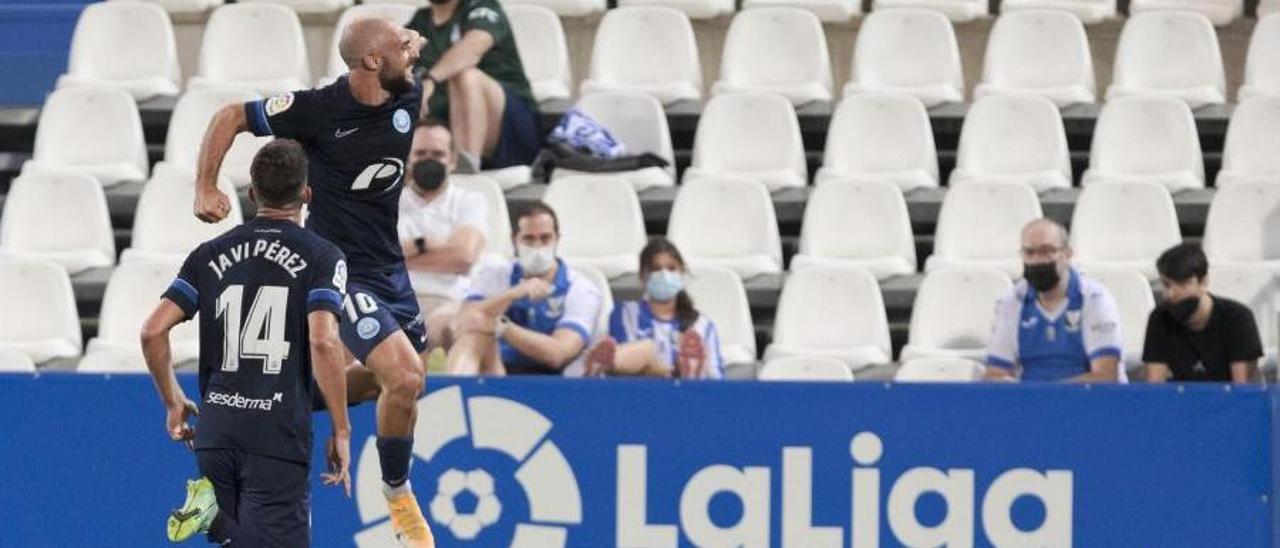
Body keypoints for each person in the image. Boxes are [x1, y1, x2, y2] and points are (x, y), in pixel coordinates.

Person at [191, 18, 435, 545]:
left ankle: (251, 407)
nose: (411, 52)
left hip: (390, 270)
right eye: (400, 45)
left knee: (388, 387)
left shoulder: (405, 88)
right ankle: (398, 497)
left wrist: (410, 39)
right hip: (340, 270)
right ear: (371, 61)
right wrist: (206, 186)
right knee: (407, 377)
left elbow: (415, 43)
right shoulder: (318, 109)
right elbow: (230, 115)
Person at [144, 140, 351, 546]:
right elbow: (324, 341)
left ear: (252, 193)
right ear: (307, 194)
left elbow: (152, 331)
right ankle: (213, 518)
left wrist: (173, 400)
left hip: (216, 427)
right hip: (276, 433)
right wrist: (341, 429)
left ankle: (214, 517)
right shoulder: (323, 257)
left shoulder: (208, 254)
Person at [446, 202, 602, 375]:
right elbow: (462, 322)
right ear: (514, 240)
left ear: (557, 239)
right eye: (529, 238)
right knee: (474, 338)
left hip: (555, 380)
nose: (537, 246)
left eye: (545, 238)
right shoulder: (493, 275)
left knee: (482, 328)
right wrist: (513, 294)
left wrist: (501, 325)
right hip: (499, 370)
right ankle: (456, 394)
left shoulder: (581, 288)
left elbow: (558, 354)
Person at [407, 0, 542, 171]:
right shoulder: (420, 20)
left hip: (512, 131)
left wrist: (430, 80)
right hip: (446, 129)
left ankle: (467, 168)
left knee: (464, 75)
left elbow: (473, 47)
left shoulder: (482, 7)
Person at [985, 219, 1126, 383]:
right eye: (1029, 253)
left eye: (1047, 251)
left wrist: (1049, 395)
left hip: (1086, 401)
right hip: (1031, 402)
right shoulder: (1011, 302)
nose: (1037, 260)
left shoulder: (1095, 299)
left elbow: (1105, 376)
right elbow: (994, 374)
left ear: (1067, 254)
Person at [398, 117, 489, 350]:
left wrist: (403, 254)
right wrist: (425, 243)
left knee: (444, 328)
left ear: (452, 160)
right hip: (394, 300)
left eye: (437, 154)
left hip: (449, 301)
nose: (429, 160)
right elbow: (376, 257)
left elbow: (463, 258)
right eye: (420, 153)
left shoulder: (471, 201)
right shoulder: (386, 203)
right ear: (408, 158)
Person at [584, 238, 725, 379]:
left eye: (671, 268)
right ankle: (680, 374)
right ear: (642, 276)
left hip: (688, 397)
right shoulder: (626, 313)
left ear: (681, 273)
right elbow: (627, 370)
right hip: (638, 392)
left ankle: (688, 374)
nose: (664, 275)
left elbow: (716, 378)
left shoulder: (702, 325)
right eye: (655, 269)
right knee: (646, 350)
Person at [1143, 243, 1262, 383]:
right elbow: (1155, 389)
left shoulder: (1238, 319)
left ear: (1203, 282)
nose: (1171, 294)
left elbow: (1242, 392)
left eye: (1182, 284)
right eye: (1167, 285)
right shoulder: (1160, 318)